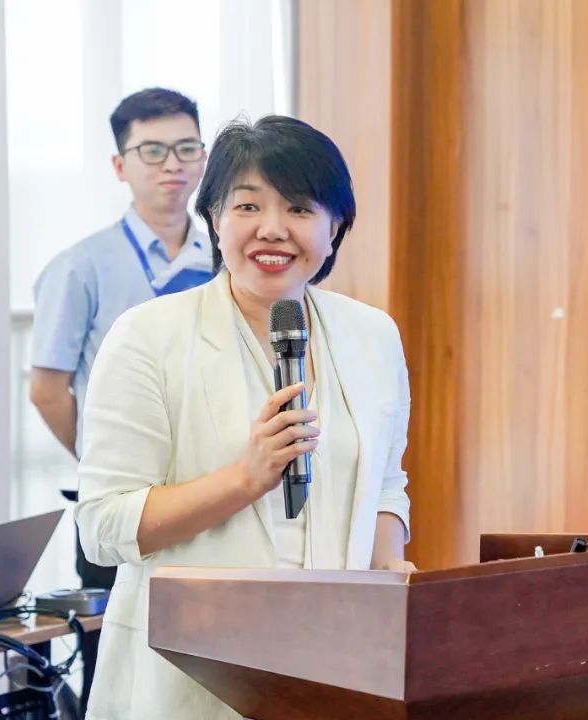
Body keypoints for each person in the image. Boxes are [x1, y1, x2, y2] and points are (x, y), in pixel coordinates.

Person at [74, 115, 415, 719]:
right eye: (248, 206)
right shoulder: (147, 337)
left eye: (300, 209)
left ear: (335, 228)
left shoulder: (372, 335)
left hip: (337, 663)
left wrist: (389, 570)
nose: (273, 229)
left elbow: (386, 483)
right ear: (215, 219)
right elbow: (102, 528)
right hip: (193, 677)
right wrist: (245, 479)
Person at [29, 87, 213, 714]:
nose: (172, 164)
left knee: (210, 671)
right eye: (152, 150)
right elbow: (47, 390)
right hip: (126, 508)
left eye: (186, 148)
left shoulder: (229, 259)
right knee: (118, 673)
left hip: (216, 499)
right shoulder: (81, 267)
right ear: (120, 165)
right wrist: (108, 465)